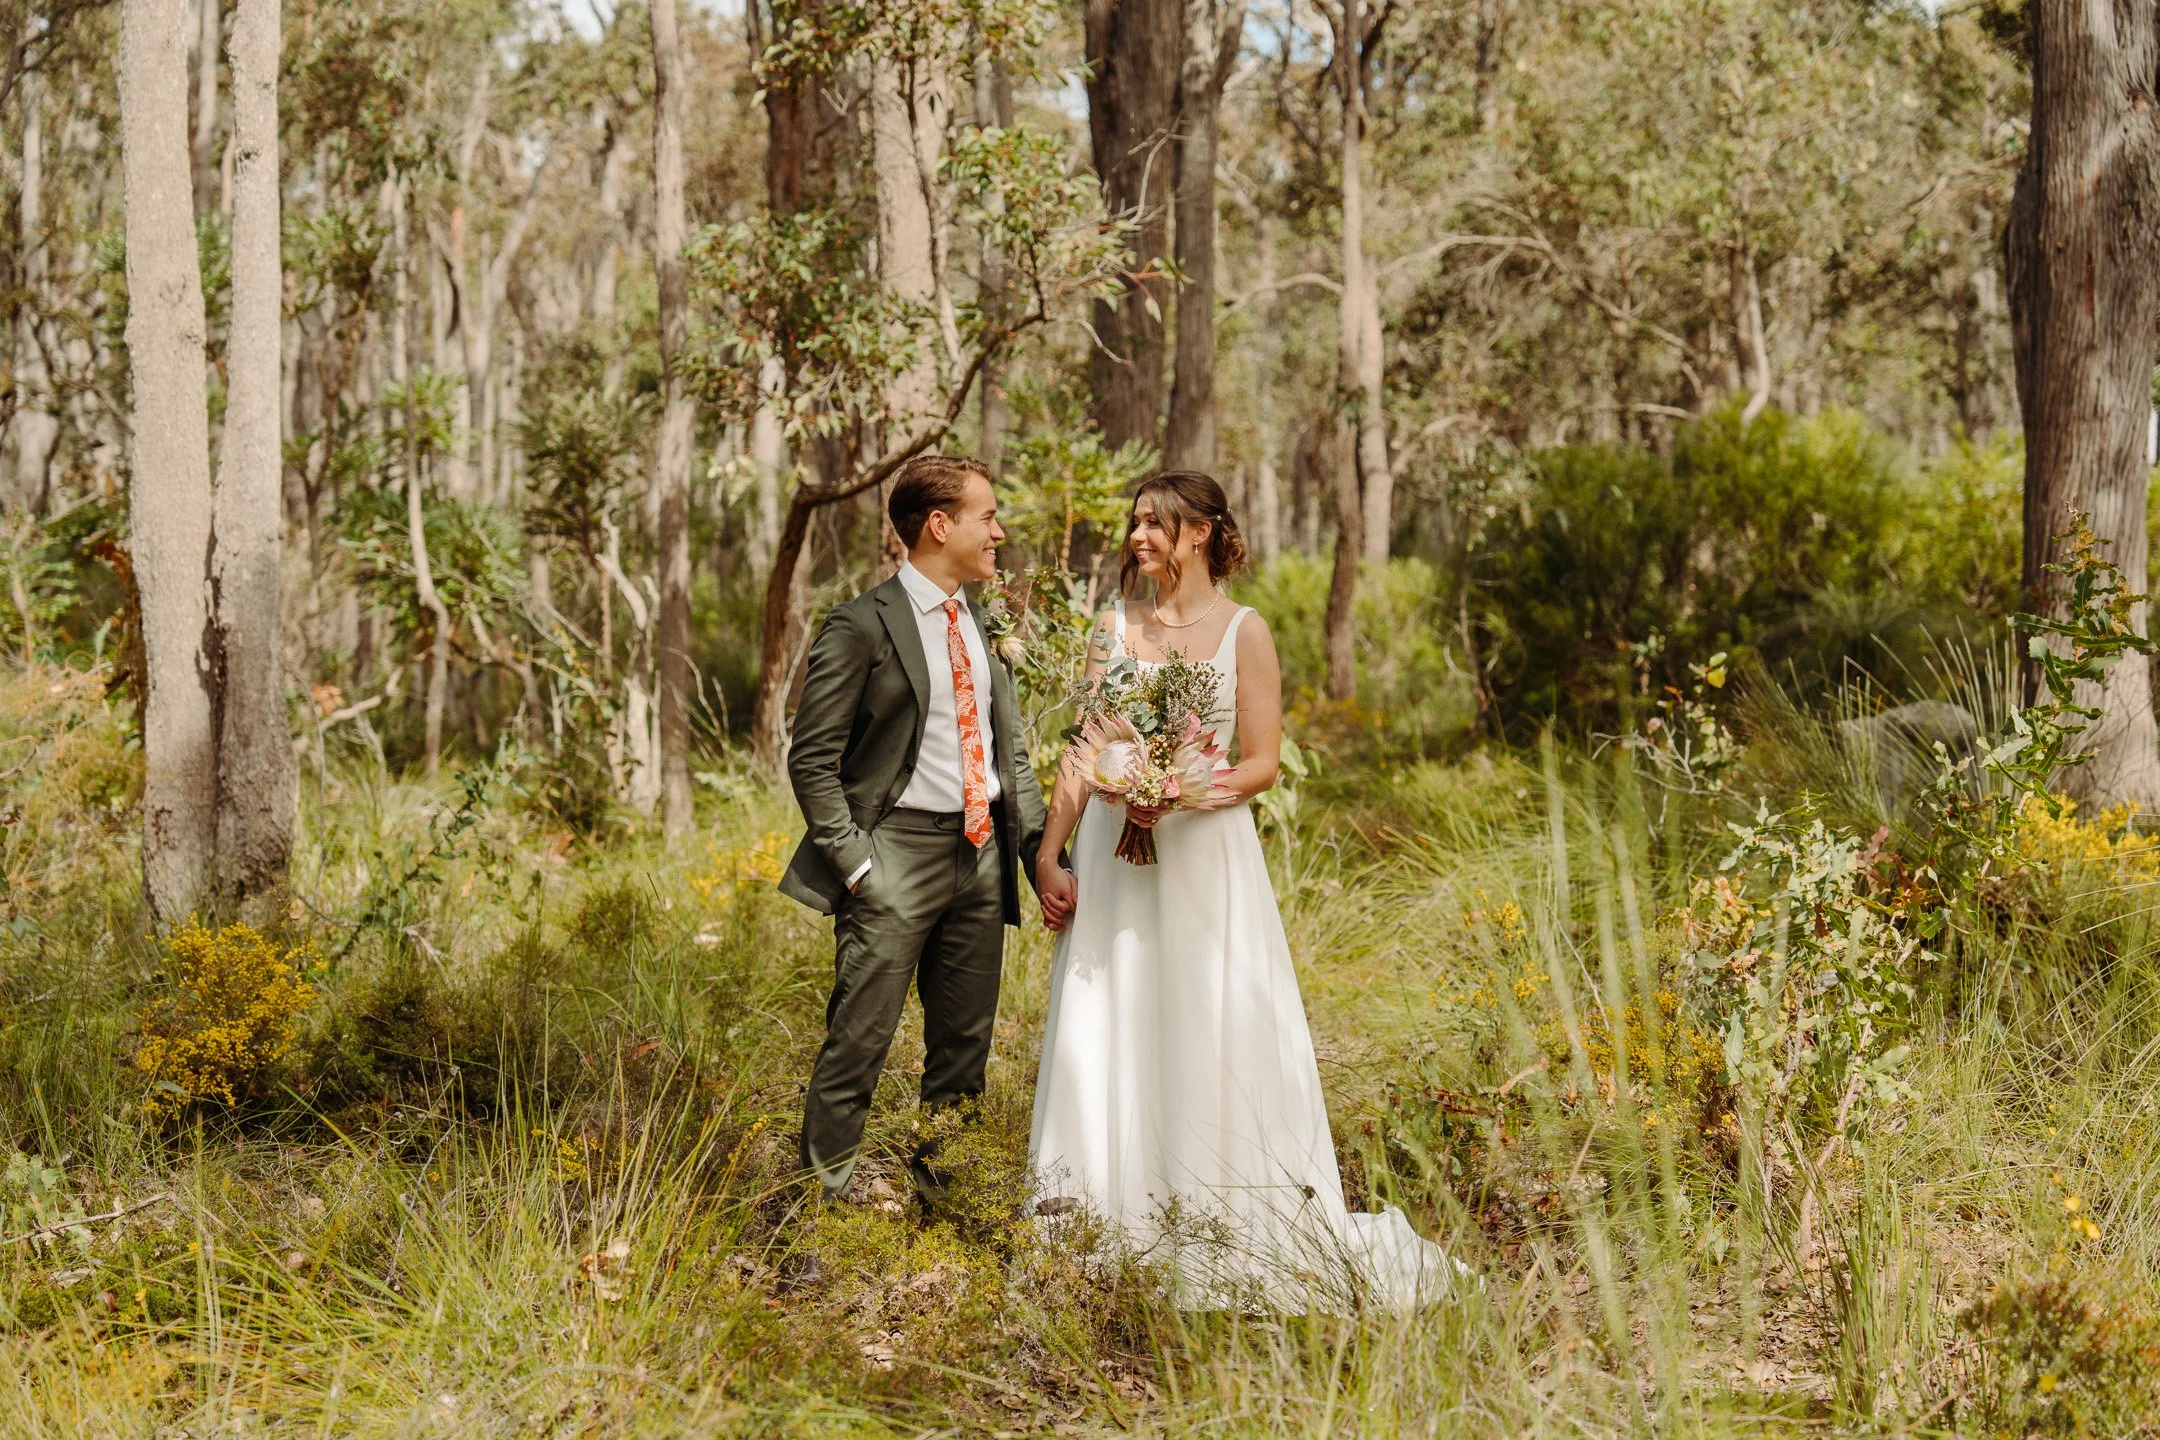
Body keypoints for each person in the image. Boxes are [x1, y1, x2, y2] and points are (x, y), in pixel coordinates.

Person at [1028, 470, 1468, 1308]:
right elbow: (1085, 748)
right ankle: (1099, 1231)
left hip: (1203, 856)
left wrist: (1183, 791)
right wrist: (1052, 855)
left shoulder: (1244, 632)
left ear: (1199, 533)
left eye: (1155, 523)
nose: (1138, 537)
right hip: (1112, 864)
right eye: (1134, 523)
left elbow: (1261, 761)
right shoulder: (1110, 628)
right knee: (1111, 1021)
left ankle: (1218, 1227)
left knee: (1203, 1018)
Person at [779, 454, 1067, 1201]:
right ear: (940, 526)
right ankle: (816, 1215)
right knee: (858, 1045)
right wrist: (857, 866)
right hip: (893, 856)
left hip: (979, 860)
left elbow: (1016, 761)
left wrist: (1042, 858)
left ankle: (944, 1207)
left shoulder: (982, 626)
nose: (999, 532)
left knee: (963, 1053)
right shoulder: (859, 626)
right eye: (987, 517)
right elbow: (811, 760)